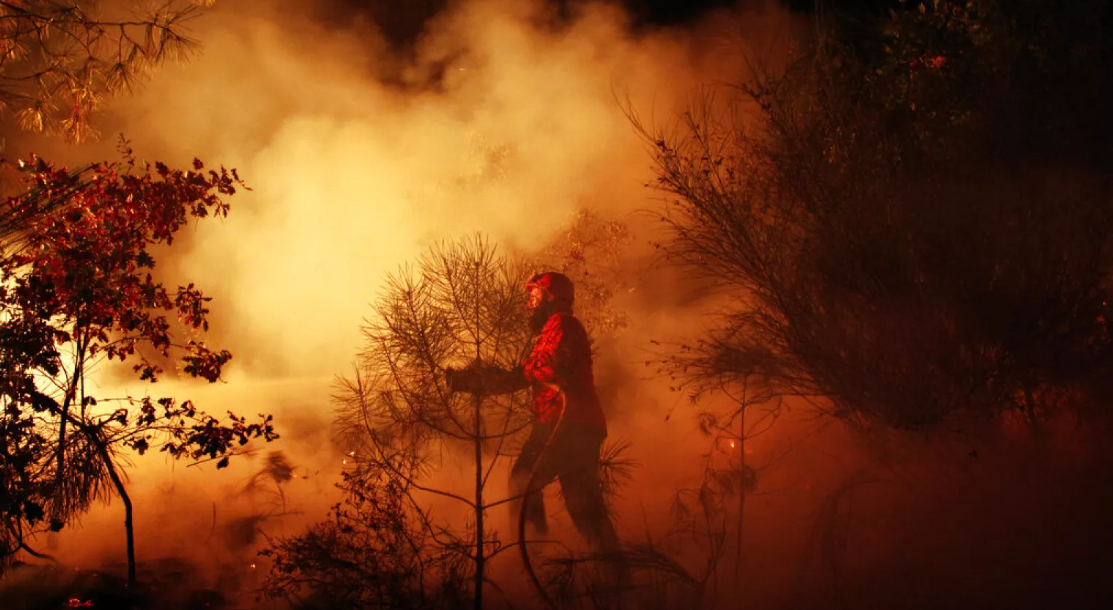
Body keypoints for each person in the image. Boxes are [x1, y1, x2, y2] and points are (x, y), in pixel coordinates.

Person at [446, 271, 619, 553]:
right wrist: (480, 383)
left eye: (534, 297)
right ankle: (614, 573)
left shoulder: (562, 323)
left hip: (564, 422)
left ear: (550, 297)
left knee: (523, 480)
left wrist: (490, 380)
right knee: (584, 510)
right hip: (576, 424)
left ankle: (536, 556)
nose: (529, 304)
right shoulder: (556, 329)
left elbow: (543, 368)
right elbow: (532, 372)